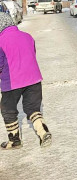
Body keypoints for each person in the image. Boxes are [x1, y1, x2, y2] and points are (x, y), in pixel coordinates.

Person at [0, 12, 52, 149]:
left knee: (8, 110)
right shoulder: (27, 36)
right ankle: (43, 132)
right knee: (33, 108)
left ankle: (15, 141)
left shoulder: (1, 41)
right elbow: (32, 53)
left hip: (12, 81)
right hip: (34, 78)